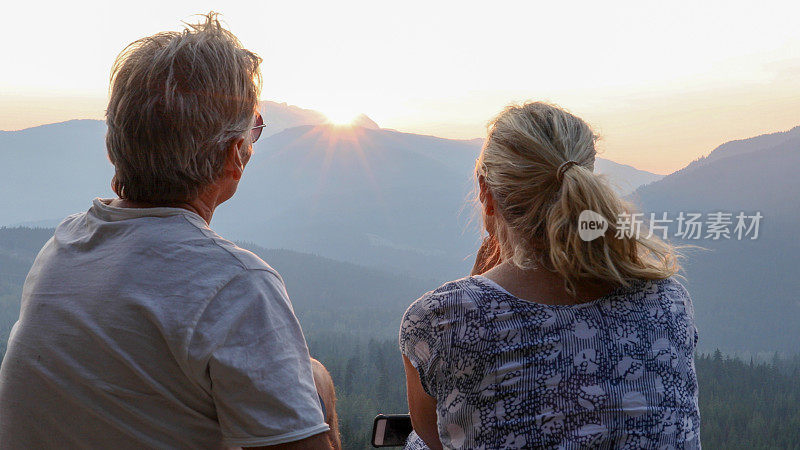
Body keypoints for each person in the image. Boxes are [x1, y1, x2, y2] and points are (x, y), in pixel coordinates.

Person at [0, 13, 340, 449]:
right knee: (315, 382)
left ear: (112, 145)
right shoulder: (237, 286)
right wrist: (320, 394)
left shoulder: (64, 246)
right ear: (237, 154)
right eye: (252, 129)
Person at [399, 102, 700, 449]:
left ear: (486, 192)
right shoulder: (667, 301)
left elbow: (436, 437)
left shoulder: (441, 318)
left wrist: (476, 293)